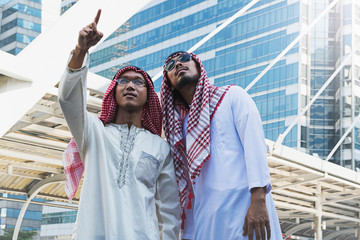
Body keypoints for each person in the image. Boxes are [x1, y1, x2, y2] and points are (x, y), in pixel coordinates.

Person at [58, 10, 180, 239]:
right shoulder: (93, 133)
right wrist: (81, 50)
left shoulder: (160, 148)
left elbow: (168, 211)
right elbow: (68, 100)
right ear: (113, 93)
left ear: (149, 96)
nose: (130, 85)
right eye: (123, 81)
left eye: (138, 82)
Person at [160, 51, 282, 240]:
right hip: (206, 222)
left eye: (184, 59)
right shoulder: (177, 129)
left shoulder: (232, 96)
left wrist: (258, 199)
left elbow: (255, 145)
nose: (177, 64)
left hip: (245, 212)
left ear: (199, 67)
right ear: (170, 85)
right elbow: (186, 186)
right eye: (170, 65)